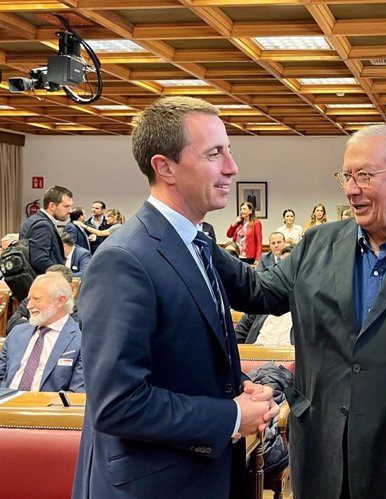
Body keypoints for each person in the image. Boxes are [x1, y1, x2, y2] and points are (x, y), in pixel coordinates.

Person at [215, 123, 386, 499]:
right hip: (319, 446)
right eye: (346, 176)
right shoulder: (317, 244)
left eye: (365, 176)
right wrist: (195, 237)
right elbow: (258, 291)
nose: (351, 189)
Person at [71, 96, 279, 499]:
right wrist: (232, 414)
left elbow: (180, 360)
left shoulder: (195, 244)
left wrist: (240, 387)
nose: (232, 168)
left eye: (229, 152)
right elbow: (118, 403)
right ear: (165, 167)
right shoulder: (124, 259)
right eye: (214, 153)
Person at [0, 273, 84, 392]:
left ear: (60, 301)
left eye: (37, 299)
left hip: (46, 408)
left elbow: (77, 395)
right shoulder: (17, 333)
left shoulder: (80, 341)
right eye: (29, 299)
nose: (29, 306)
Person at [236, 247, 294, 346]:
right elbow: (238, 335)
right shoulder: (262, 301)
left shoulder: (308, 309)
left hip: (290, 357)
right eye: (282, 265)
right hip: (254, 355)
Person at [7, 264, 79, 334]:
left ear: (69, 287)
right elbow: (12, 324)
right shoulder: (30, 300)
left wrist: (32, 322)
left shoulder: (78, 308)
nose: (30, 306)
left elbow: (71, 332)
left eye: (53, 281)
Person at [19, 185, 73, 274]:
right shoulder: (43, 225)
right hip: (43, 282)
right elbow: (40, 260)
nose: (70, 210)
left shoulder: (35, 220)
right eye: (66, 206)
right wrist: (61, 275)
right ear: (52, 206)